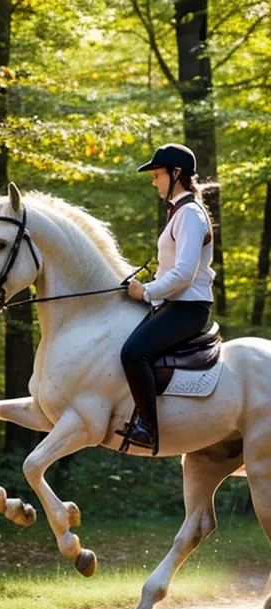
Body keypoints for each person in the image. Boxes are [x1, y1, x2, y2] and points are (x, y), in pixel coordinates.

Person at [119, 142, 215, 454]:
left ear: (176, 174)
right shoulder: (180, 213)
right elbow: (172, 271)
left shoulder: (189, 214)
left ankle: (148, 427)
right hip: (175, 303)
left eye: (157, 174)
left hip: (189, 308)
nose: (154, 180)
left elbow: (185, 273)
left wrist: (146, 291)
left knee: (134, 353)